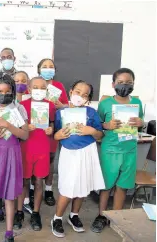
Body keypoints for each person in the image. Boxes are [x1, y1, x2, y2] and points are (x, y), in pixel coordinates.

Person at [91, 68, 144, 233]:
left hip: (129, 150)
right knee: (107, 186)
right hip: (110, 150)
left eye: (128, 83)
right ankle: (101, 215)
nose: (124, 85)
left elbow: (141, 121)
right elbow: (98, 124)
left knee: (123, 186)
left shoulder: (137, 102)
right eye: (120, 82)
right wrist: (107, 125)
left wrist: (140, 122)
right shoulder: (105, 103)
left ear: (133, 84)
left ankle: (115, 217)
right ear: (113, 84)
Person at [51, 80, 105, 238]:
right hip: (69, 153)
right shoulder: (61, 113)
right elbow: (55, 134)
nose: (80, 96)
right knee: (68, 187)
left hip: (88, 152)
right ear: (70, 92)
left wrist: (92, 131)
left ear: (88, 99)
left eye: (85, 94)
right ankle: (57, 218)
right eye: (77, 92)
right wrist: (58, 135)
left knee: (83, 186)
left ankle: (73, 215)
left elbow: (100, 134)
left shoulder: (91, 112)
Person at [0, 73, 29, 242]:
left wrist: (8, 125)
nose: (4, 94)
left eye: (7, 91)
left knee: (9, 194)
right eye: (0, 91)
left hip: (12, 153)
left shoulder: (18, 108)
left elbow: (24, 135)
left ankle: (9, 232)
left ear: (13, 91)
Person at [17, 76, 55, 231]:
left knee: (39, 181)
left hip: (42, 148)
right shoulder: (22, 105)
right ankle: (19, 211)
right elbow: (17, 127)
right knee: (24, 181)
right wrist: (26, 126)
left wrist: (51, 129)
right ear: (29, 89)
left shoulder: (50, 105)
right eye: (36, 87)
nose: (39, 90)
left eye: (42, 87)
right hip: (26, 148)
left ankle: (36, 213)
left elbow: (52, 122)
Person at [34, 58, 69, 207]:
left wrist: (61, 105)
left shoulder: (59, 86)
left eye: (51, 67)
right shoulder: (34, 84)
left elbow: (67, 105)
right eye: (45, 66)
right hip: (36, 127)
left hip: (53, 125)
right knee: (35, 158)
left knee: (50, 157)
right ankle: (32, 188)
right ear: (39, 70)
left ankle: (48, 189)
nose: (48, 69)